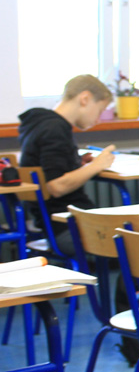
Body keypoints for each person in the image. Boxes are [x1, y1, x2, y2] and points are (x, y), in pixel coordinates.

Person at [18, 74, 116, 256]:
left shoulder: (38, 124)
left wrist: (76, 163)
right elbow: (56, 186)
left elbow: (50, 167)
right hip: (67, 226)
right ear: (85, 99)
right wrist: (95, 166)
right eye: (100, 110)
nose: (98, 120)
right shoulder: (54, 129)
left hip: (55, 223)